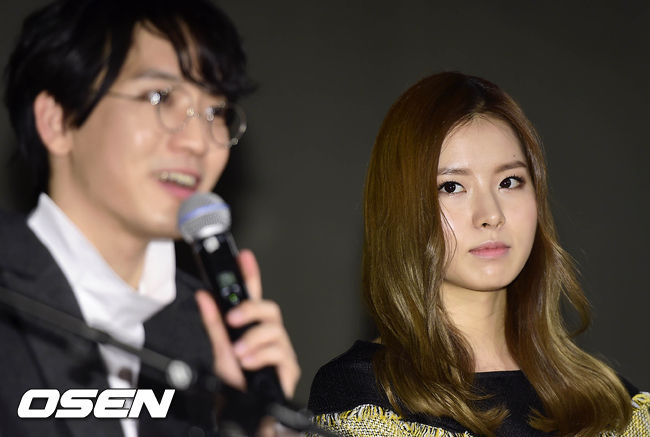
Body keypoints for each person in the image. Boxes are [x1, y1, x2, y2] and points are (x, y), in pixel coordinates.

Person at [0, 0, 300, 436]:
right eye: (160, 96)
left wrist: (254, 424)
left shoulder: (206, 334)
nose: (198, 140)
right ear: (58, 121)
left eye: (216, 111)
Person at [308, 72, 649, 436]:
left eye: (509, 182)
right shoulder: (364, 398)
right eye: (452, 187)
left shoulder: (615, 408)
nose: (490, 215)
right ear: (402, 209)